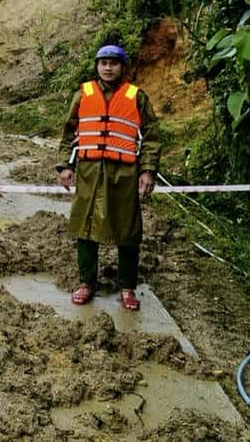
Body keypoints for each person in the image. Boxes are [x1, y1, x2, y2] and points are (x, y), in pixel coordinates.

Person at [56, 42, 160, 310]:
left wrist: (147, 170)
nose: (108, 67)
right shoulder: (83, 94)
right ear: (97, 66)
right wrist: (65, 166)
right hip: (90, 172)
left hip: (124, 173)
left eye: (114, 63)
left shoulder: (137, 96)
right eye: (104, 63)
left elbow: (151, 136)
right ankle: (86, 283)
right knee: (85, 226)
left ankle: (127, 287)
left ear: (122, 67)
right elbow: (70, 133)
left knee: (128, 229)